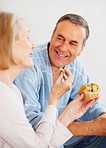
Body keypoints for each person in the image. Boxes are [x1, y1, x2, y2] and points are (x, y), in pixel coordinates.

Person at [0, 11, 97, 148]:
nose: (33, 45)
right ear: (8, 45)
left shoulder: (12, 91)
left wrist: (70, 113)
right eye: (27, 37)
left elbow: (44, 144)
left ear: (81, 49)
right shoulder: (4, 98)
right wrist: (54, 99)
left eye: (73, 43)